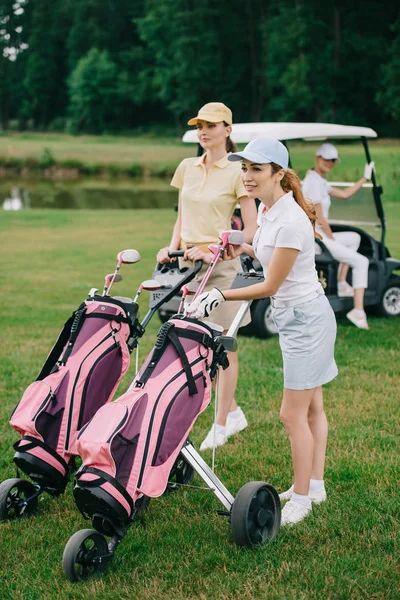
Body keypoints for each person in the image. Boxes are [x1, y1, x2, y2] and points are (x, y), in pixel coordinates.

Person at [187, 137, 338, 526]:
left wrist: (222, 292)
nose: (247, 176)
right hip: (299, 319)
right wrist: (245, 246)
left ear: (278, 173)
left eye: (256, 169)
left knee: (292, 415)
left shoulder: (289, 221)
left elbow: (270, 286)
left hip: (306, 322)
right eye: (245, 168)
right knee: (313, 407)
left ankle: (302, 498)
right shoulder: (273, 211)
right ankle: (314, 486)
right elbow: (268, 254)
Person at [156, 102, 258, 451]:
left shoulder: (238, 172)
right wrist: (170, 247)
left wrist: (218, 246)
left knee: (222, 344)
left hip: (222, 265)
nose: (204, 131)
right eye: (200, 125)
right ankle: (232, 413)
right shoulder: (187, 166)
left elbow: (251, 228)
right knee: (193, 341)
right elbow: (181, 216)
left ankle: (220, 423)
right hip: (189, 265)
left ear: (228, 130)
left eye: (212, 125)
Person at [302, 143, 374, 330]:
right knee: (361, 262)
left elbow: (344, 194)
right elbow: (318, 216)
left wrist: (364, 178)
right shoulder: (312, 182)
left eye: (333, 160)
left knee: (354, 238)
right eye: (326, 159)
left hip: (322, 235)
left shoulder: (320, 181)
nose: (329, 163)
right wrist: (331, 236)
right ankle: (358, 312)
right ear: (318, 158)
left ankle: (342, 283)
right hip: (318, 238)